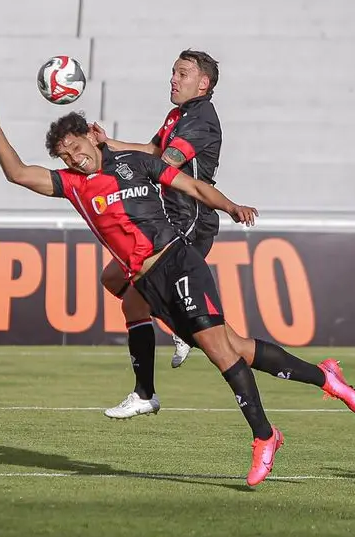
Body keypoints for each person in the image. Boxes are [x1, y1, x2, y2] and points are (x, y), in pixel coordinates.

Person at [0, 84, 355, 486]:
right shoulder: (71, 185)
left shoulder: (135, 163)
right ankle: (325, 377)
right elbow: (17, 173)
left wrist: (231, 206)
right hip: (149, 282)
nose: (73, 157)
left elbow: (193, 186)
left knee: (220, 352)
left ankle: (264, 436)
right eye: (64, 155)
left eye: (75, 147)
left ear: (90, 136)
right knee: (236, 347)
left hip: (178, 260)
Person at [91, 49, 224, 419]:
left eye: (182, 73)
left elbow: (166, 162)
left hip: (190, 220)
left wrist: (112, 164)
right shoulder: (178, 115)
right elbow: (152, 149)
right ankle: (179, 327)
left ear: (203, 83)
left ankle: (145, 391)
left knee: (135, 301)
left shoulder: (201, 119)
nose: (173, 79)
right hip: (168, 217)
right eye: (173, 72)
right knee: (112, 278)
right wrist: (109, 144)